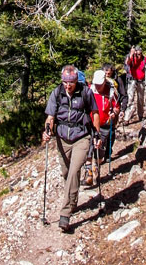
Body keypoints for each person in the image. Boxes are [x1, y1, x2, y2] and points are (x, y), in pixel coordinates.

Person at [43, 65, 101, 232]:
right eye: (65, 82)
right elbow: (50, 116)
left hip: (81, 137)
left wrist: (96, 133)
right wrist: (47, 130)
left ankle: (65, 214)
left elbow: (95, 113)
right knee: (66, 173)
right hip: (62, 138)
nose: (68, 85)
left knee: (75, 170)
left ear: (77, 81)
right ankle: (73, 199)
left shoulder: (85, 92)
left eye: (71, 82)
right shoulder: (57, 93)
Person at [84, 69, 121, 185]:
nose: (98, 87)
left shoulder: (111, 91)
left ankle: (96, 167)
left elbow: (117, 106)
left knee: (100, 150)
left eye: (100, 84)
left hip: (105, 124)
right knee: (88, 146)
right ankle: (88, 172)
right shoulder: (90, 89)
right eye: (96, 84)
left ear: (104, 82)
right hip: (91, 124)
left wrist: (114, 113)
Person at [123, 45, 146, 124]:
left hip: (141, 81)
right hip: (132, 80)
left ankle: (140, 114)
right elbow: (127, 63)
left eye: (140, 54)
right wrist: (131, 53)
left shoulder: (144, 59)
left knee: (140, 98)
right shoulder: (132, 58)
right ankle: (127, 118)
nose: (139, 56)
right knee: (130, 99)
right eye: (137, 54)